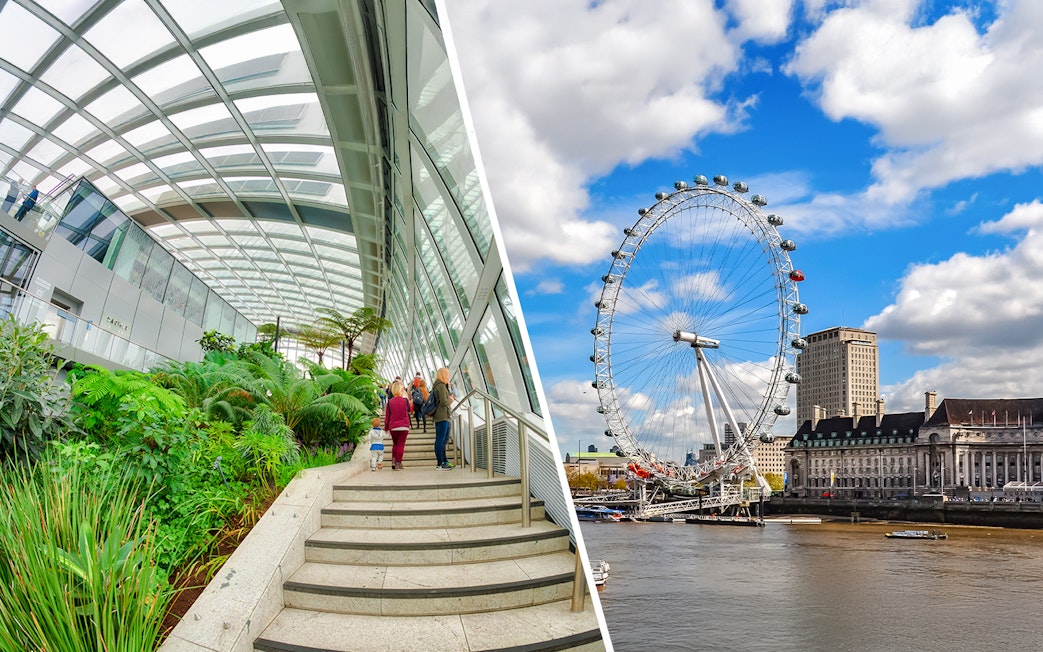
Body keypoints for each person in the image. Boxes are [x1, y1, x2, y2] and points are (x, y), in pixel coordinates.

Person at [384, 380, 411, 470]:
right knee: (401, 445)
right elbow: (409, 410)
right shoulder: (405, 401)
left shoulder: (390, 402)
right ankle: (398, 463)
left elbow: (387, 416)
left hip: (393, 426)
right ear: (401, 390)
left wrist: (386, 428)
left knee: (395, 444)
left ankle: (393, 461)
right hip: (404, 426)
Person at [432, 367, 455, 470]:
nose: (449, 376)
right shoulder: (440, 386)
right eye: (448, 374)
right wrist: (451, 400)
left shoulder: (443, 385)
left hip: (445, 415)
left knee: (444, 440)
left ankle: (444, 460)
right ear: (443, 375)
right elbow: (443, 402)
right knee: (440, 439)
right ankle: (440, 463)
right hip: (441, 416)